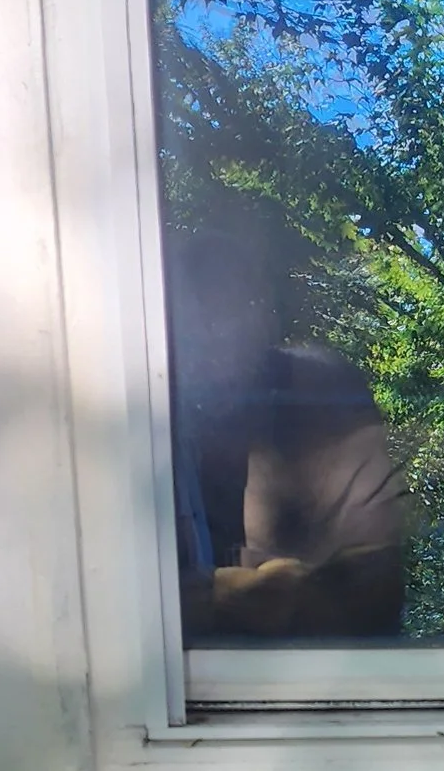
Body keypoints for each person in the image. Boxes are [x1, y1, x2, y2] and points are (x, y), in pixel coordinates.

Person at [169, 226, 409, 641]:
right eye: (202, 319)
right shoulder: (149, 430)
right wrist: (212, 597)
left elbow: (376, 587)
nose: (220, 334)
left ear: (268, 318)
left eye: (236, 310)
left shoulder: (317, 394)